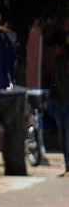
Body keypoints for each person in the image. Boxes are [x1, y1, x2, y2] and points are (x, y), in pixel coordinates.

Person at [47, 31, 69, 176]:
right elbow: (54, 83)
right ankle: (67, 166)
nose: (53, 50)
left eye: (55, 47)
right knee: (63, 136)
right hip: (60, 103)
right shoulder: (57, 61)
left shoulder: (66, 61)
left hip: (67, 103)